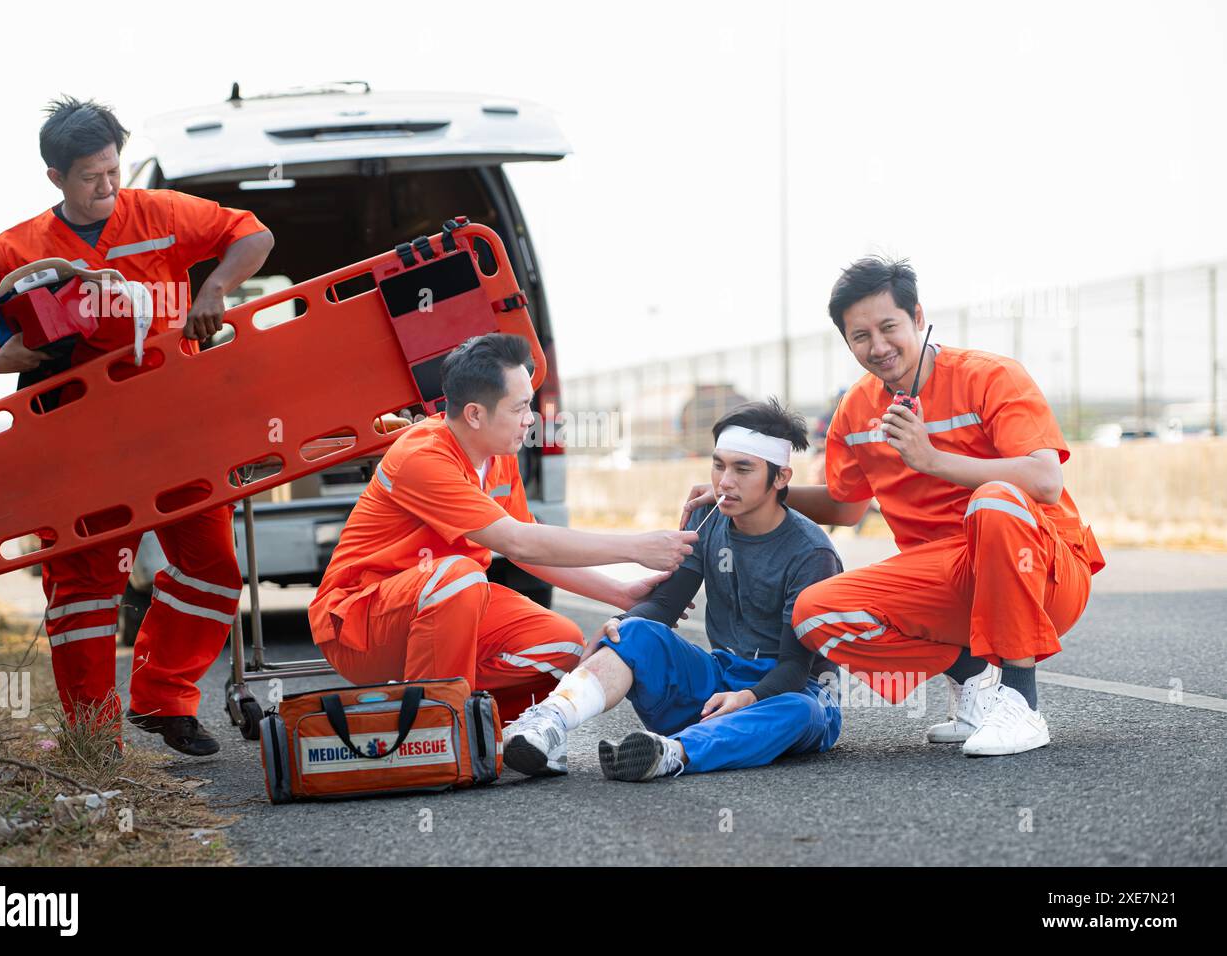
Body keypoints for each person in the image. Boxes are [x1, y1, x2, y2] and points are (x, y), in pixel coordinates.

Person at [0, 96, 274, 756]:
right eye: (91, 177)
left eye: (113, 170)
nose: (108, 186)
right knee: (84, 593)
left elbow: (253, 234)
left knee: (213, 569)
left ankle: (164, 698)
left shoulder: (161, 214)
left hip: (174, 431)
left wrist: (214, 289)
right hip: (78, 444)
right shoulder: (20, 246)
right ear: (56, 179)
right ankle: (93, 741)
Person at [683, 257, 1105, 756]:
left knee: (995, 501)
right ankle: (974, 685)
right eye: (860, 336)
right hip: (945, 581)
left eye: (889, 327)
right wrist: (748, 490)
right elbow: (844, 508)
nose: (878, 347)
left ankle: (1019, 701)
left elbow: (1045, 480)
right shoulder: (857, 409)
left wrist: (931, 458)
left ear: (918, 318)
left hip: (1044, 573)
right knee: (814, 613)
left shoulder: (991, 377)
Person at [308, 333, 699, 722]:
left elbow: (525, 546)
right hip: (360, 626)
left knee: (564, 648)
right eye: (520, 407)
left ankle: (485, 730)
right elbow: (520, 541)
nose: (531, 419)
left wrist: (622, 594)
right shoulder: (421, 457)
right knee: (457, 576)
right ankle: (436, 730)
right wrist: (636, 548)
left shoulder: (498, 452)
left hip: (448, 610)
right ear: (475, 414)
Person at [503, 398, 843, 780]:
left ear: (780, 478)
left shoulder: (811, 552)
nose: (724, 482)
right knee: (634, 631)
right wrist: (621, 626)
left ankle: (673, 752)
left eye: (742, 469)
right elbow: (664, 606)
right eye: (718, 465)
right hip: (721, 683)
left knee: (801, 710)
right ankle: (548, 722)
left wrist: (747, 698)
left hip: (789, 694)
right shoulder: (708, 516)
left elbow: (795, 669)